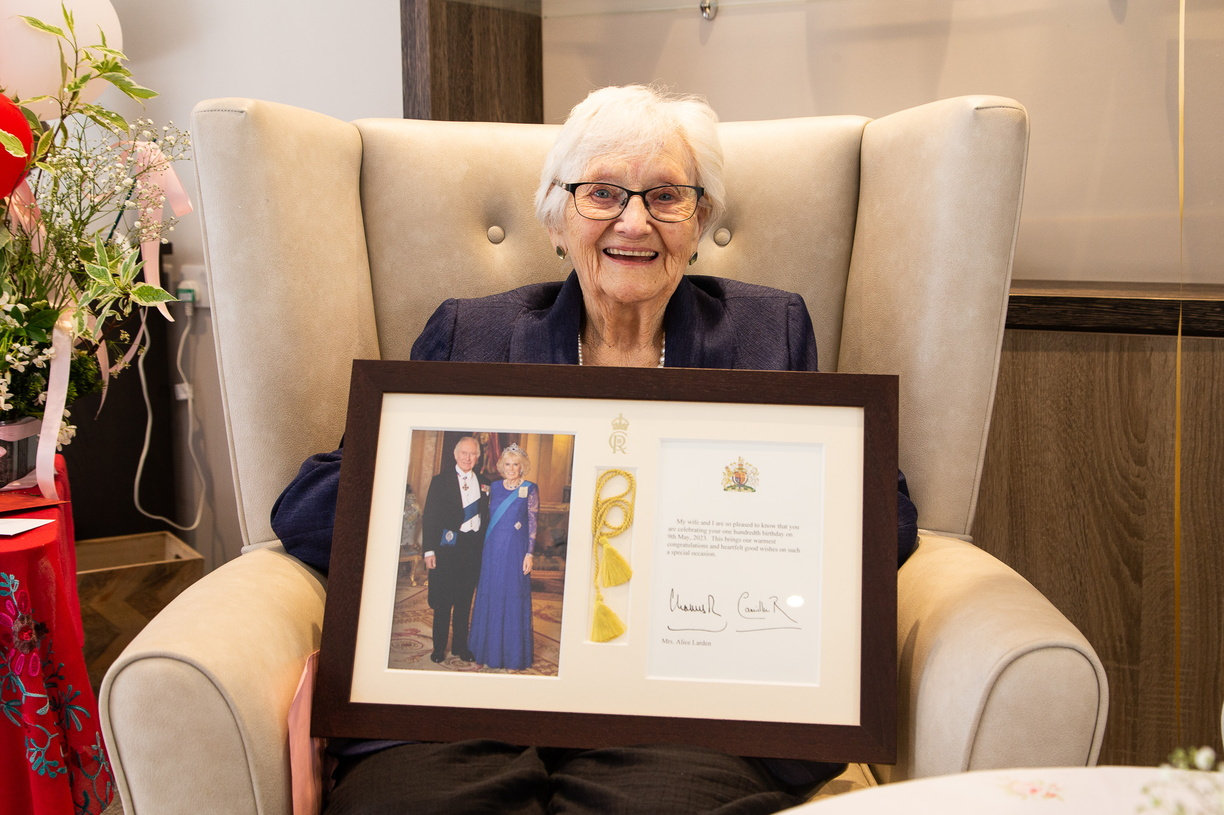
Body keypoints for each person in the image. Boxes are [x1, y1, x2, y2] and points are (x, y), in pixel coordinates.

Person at [271, 84, 918, 815]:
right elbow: (304, 511)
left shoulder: (769, 332)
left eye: (667, 195)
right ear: (557, 215)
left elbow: (887, 519)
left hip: (687, 719)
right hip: (466, 713)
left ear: (700, 219)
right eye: (603, 192)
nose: (635, 221)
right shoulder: (471, 334)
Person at [469, 443, 539, 670]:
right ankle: (486, 651)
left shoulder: (530, 488)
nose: (511, 468)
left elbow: (532, 523)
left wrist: (530, 553)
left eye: (515, 464)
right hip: (492, 550)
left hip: (516, 551)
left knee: (512, 596)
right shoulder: (494, 487)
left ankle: (512, 655)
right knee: (491, 594)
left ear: (522, 467)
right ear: (501, 466)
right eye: (507, 464)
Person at [420, 435, 489, 664]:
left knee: (463, 601)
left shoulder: (485, 482)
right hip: (446, 547)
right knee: (442, 601)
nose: (468, 458)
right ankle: (439, 648)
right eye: (464, 453)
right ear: (455, 455)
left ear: (477, 457)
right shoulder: (441, 481)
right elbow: (430, 517)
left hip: (471, 549)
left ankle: (461, 647)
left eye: (472, 454)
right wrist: (429, 550)